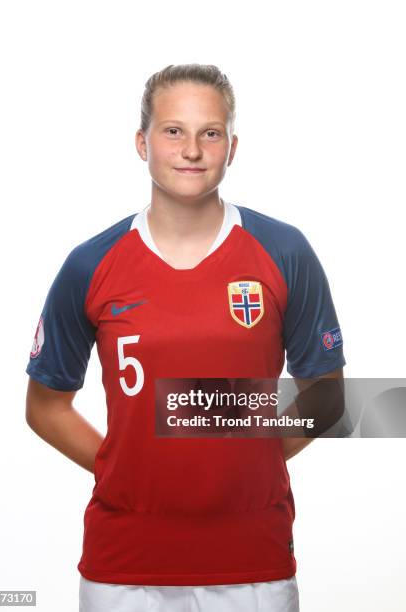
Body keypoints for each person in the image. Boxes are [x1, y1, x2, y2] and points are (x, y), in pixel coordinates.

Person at [25, 63, 346, 612]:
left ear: (232, 146)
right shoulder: (90, 264)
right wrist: (124, 464)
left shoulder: (284, 252)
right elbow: (45, 406)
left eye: (210, 133)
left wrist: (254, 451)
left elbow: (327, 395)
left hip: (254, 561)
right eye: (173, 130)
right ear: (141, 141)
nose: (192, 149)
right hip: (125, 566)